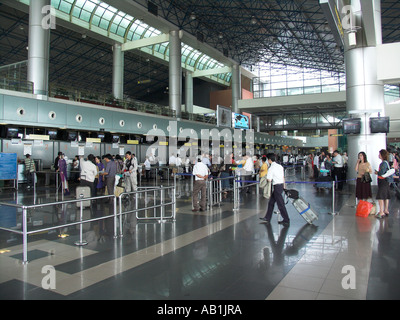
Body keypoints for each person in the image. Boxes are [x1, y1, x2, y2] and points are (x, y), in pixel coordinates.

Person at [259, 153, 290, 226]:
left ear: (269, 160)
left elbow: (269, 179)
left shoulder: (271, 168)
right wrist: (284, 187)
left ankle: (286, 219)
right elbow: (283, 177)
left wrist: (266, 179)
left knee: (280, 204)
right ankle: (267, 217)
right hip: (281, 186)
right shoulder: (280, 166)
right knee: (271, 203)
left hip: (276, 187)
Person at [375, 149, 391, 219]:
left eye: (379, 154)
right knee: (386, 195)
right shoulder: (386, 163)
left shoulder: (383, 163)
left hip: (383, 181)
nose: (378, 155)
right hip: (386, 181)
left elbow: (382, 173)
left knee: (380, 196)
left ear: (382, 155)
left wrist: (377, 173)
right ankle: (386, 210)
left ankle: (381, 211)